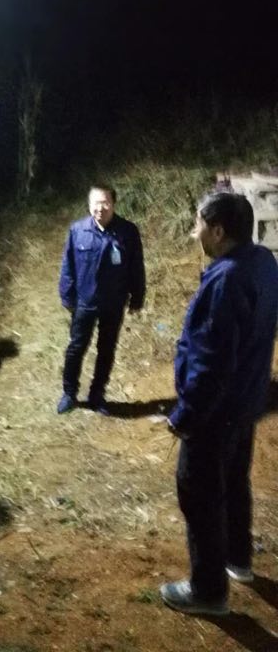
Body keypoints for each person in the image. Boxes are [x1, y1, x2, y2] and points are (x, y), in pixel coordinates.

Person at [160, 191, 278, 616]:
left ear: (218, 230)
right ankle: (237, 559)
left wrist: (185, 416)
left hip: (216, 412)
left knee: (200, 493)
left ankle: (208, 592)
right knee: (233, 480)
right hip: (246, 402)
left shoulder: (226, 279)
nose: (194, 233)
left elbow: (211, 363)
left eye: (198, 225)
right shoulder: (263, 262)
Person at [57, 185, 145, 415]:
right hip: (84, 302)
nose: (100, 208)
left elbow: (136, 266)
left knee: (106, 349)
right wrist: (67, 295)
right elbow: (68, 265)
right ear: (89, 205)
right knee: (76, 348)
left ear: (113, 204)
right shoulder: (78, 230)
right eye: (96, 202)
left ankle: (97, 395)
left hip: (114, 303)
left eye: (105, 202)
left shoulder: (128, 232)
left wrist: (137, 296)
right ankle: (69, 393)